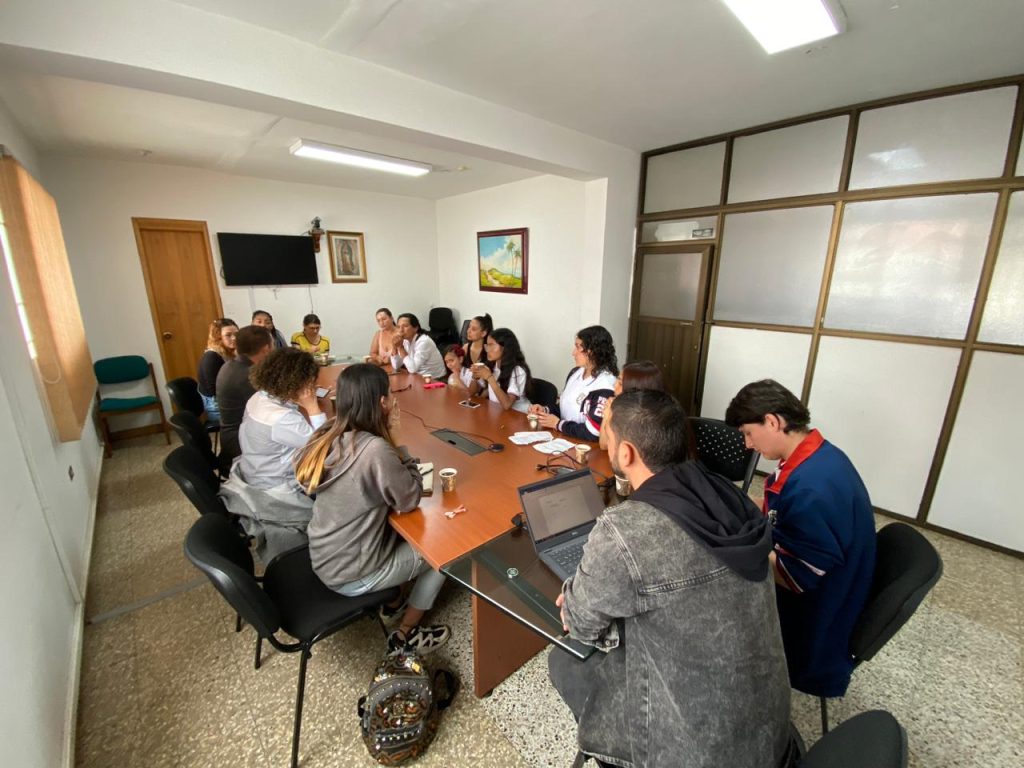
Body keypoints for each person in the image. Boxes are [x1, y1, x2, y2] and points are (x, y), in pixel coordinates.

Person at [549, 390, 790, 767]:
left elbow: (580, 624)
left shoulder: (624, 531)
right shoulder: (729, 495)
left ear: (626, 453)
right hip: (768, 733)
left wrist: (576, 598)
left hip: (694, 751)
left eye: (608, 432)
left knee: (564, 660)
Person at [725, 379, 876, 699]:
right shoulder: (818, 457)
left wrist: (729, 544)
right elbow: (780, 513)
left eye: (749, 433)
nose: (748, 445)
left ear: (772, 422)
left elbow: (793, 577)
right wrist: (734, 502)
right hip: (828, 588)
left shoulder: (812, 488)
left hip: (813, 620)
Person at [295, 364, 451, 654]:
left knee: (407, 531)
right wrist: (398, 441)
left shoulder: (328, 432)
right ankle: (406, 634)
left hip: (326, 557)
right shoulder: (375, 450)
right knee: (445, 552)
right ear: (383, 403)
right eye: (390, 394)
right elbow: (410, 498)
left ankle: (393, 602)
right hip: (354, 572)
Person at [218, 348, 325, 562]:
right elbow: (323, 445)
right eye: (310, 382)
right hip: (277, 486)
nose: (312, 386)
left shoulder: (258, 397)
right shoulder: (281, 419)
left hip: (255, 471)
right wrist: (312, 406)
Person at [528, 325, 617, 441]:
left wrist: (558, 424)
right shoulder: (575, 373)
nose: (573, 353)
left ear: (592, 351)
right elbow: (565, 408)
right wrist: (545, 410)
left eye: (578, 347)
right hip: (563, 438)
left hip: (586, 445)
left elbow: (593, 432)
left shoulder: (605, 385)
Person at [215, 325, 273, 475]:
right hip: (240, 446)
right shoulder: (248, 376)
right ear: (266, 349)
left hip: (231, 434)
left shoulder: (231, 365)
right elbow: (273, 409)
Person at [598, 360, 665, 450]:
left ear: (636, 390)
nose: (615, 386)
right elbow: (604, 444)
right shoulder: (623, 407)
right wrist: (608, 413)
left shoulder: (644, 418)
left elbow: (606, 445)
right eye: (617, 380)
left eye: (620, 384)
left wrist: (609, 415)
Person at [472, 327, 532, 412]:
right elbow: (472, 392)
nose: (488, 350)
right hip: (498, 412)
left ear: (505, 347)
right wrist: (475, 376)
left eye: (491, 345)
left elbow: (507, 405)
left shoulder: (517, 371)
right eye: (487, 345)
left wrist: (490, 377)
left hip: (518, 414)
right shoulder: (492, 365)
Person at [197, 318, 238, 423]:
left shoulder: (230, 352)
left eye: (236, 334)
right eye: (228, 335)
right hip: (217, 407)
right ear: (218, 337)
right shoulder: (211, 357)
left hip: (228, 400)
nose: (234, 338)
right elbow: (215, 391)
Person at [389, 312, 446, 378]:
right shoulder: (405, 340)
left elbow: (413, 369)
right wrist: (394, 347)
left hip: (436, 379)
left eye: (405, 326)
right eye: (398, 327)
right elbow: (396, 366)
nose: (401, 330)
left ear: (416, 328)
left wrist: (401, 348)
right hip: (418, 377)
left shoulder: (424, 341)